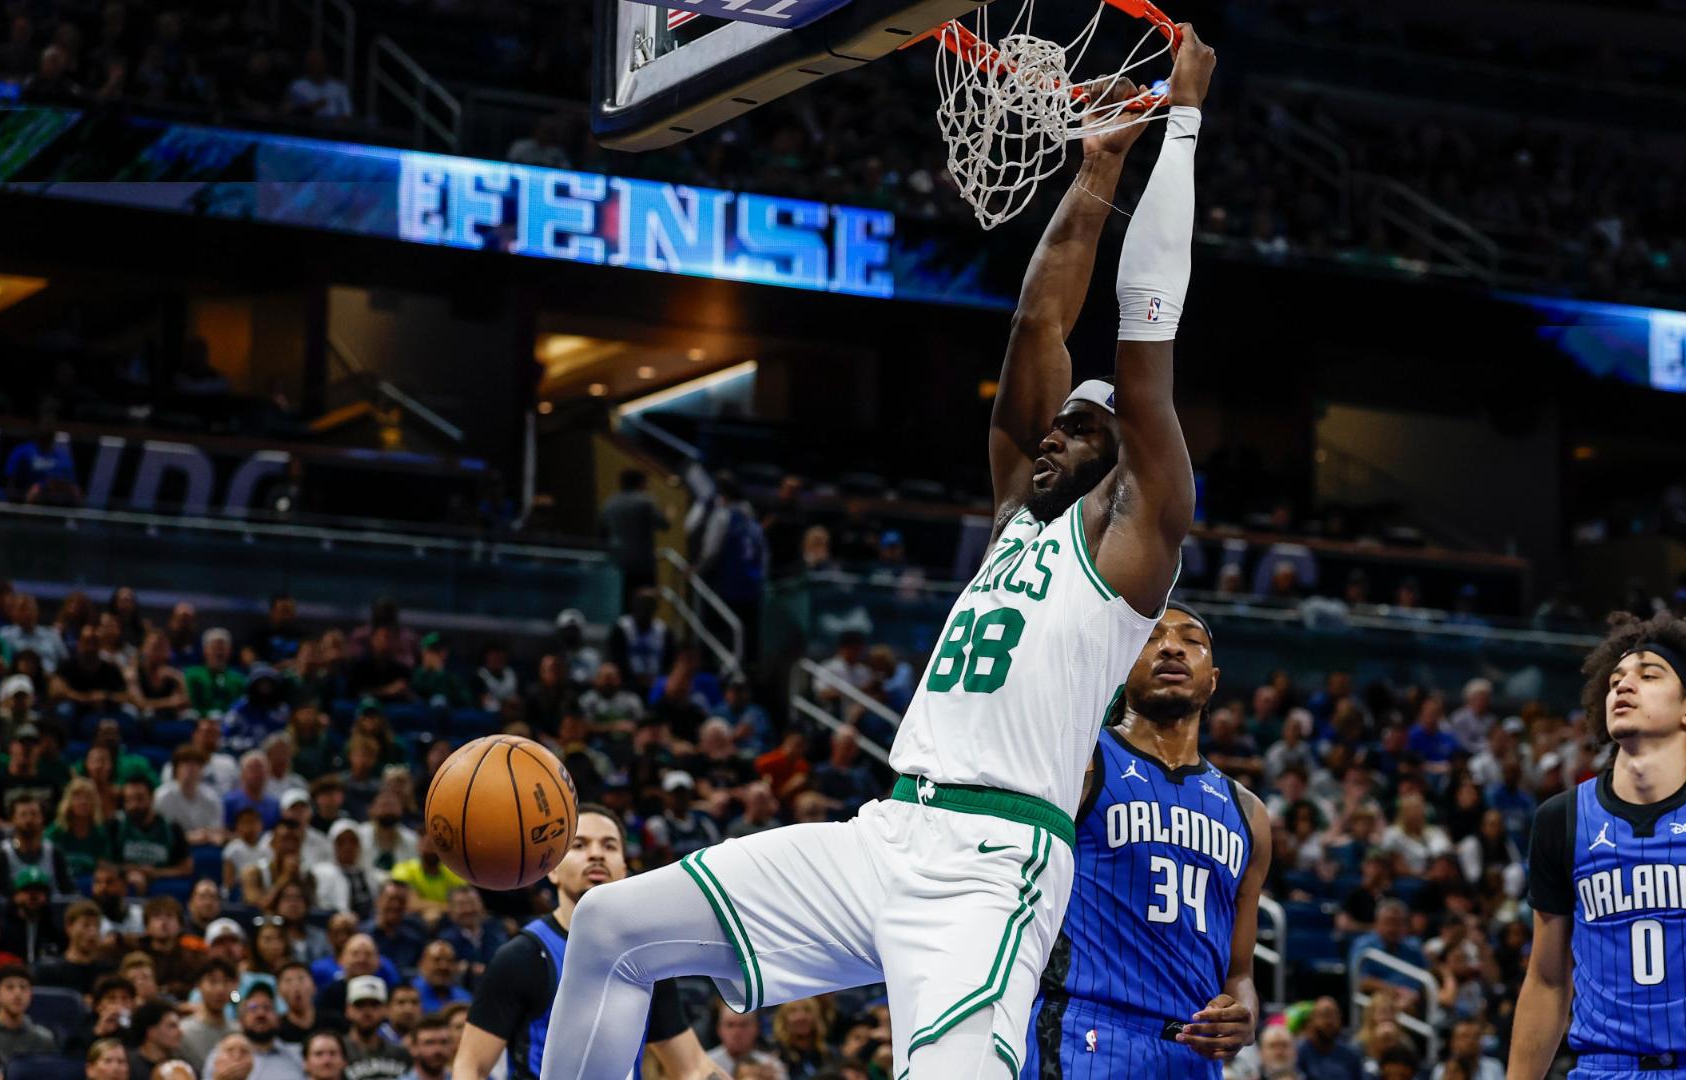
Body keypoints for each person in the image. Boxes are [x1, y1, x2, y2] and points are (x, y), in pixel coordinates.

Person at [539, 34, 1209, 1079]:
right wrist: (1097, 166)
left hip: (994, 868)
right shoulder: (1013, 522)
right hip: (884, 831)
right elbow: (1040, 321)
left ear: (1122, 462)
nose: (1047, 437)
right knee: (613, 930)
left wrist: (1186, 125)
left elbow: (1142, 344)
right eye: (1050, 425)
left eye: (1073, 430)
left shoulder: (1132, 548)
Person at [1509, 611, 1686, 1080]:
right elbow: (1548, 980)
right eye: (1615, 680)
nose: (1624, 686)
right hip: (1603, 1069)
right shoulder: (1561, 819)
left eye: (1649, 675)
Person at [1023, 605, 1271, 1077]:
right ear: (1121, 664)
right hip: (1086, 1031)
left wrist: (1245, 1016)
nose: (1173, 646)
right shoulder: (1080, 761)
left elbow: (1239, 974)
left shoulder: (1250, 814)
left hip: (1193, 1055)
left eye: (1192, 640)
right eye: (1151, 638)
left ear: (1213, 679)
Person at [453, 807, 715, 1080]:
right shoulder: (523, 956)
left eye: (609, 846)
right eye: (579, 845)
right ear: (552, 870)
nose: (597, 854)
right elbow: (470, 1067)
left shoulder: (645, 959)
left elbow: (693, 1068)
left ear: (624, 870)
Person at [598, 469, 670, 605]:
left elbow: (602, 533)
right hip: (643, 563)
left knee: (623, 602)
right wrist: (668, 514)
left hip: (618, 562)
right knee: (645, 601)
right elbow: (663, 524)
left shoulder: (609, 504)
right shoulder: (645, 502)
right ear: (640, 483)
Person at [222, 985, 306, 1080]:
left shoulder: (298, 1055)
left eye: (267, 1007)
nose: (261, 1014)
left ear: (278, 1019)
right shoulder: (223, 1056)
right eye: (253, 1008)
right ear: (241, 1020)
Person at [340, 977, 412, 1080]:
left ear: (386, 1009)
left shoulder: (401, 1054)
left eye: (374, 1005)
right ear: (348, 1010)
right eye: (360, 1005)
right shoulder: (337, 1053)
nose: (367, 1011)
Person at [181, 960, 242, 1066]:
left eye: (226, 981)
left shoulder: (239, 1031)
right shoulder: (184, 1033)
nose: (220, 989)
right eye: (212, 982)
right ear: (199, 985)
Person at [704, 1000, 784, 1078]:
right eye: (730, 1025)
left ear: (756, 1028)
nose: (737, 1032)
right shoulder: (704, 1065)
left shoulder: (773, 1067)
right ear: (719, 1029)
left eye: (743, 1025)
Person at [1293, 997, 1362, 1080]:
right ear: (1312, 1019)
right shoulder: (1298, 1052)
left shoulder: (1351, 1055)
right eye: (1325, 1015)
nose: (1330, 1021)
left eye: (1334, 1015)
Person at [129, 1000, 187, 1080]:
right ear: (151, 1032)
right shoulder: (127, 1066)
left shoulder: (182, 1067)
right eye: (172, 1026)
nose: (181, 1032)